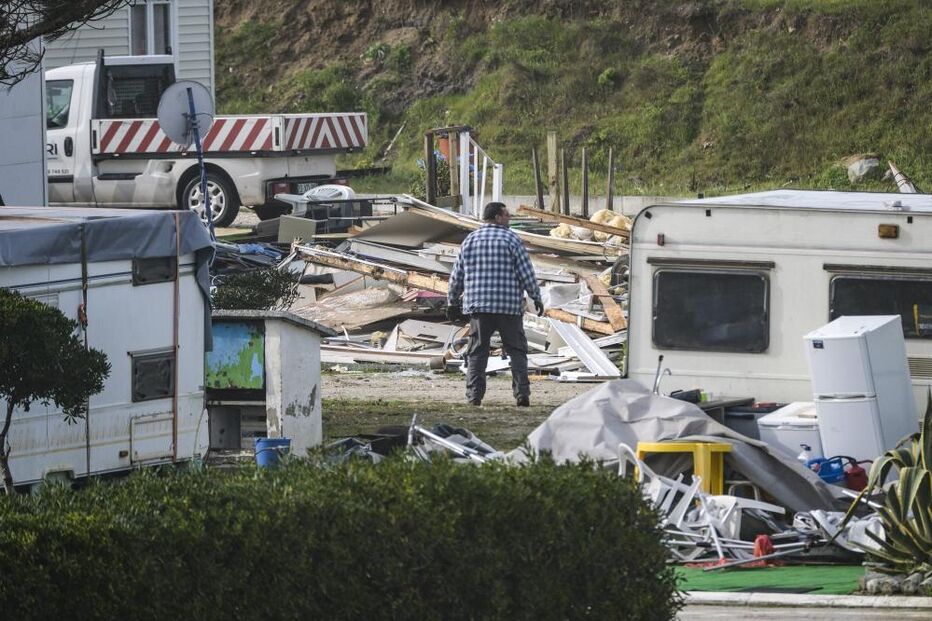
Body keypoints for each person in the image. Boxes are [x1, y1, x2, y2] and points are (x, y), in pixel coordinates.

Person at [447, 202, 544, 407]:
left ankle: (474, 397)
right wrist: (536, 297)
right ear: (498, 217)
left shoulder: (470, 241)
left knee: (477, 351)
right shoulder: (512, 239)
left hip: (479, 307)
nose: (509, 218)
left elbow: (457, 275)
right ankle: (522, 395)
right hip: (508, 307)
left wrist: (452, 301)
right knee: (517, 350)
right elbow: (526, 273)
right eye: (507, 215)